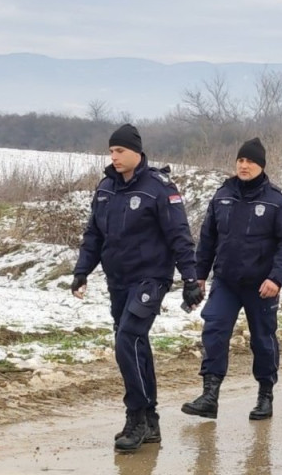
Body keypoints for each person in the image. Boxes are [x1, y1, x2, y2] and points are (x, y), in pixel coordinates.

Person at [72, 124, 203, 452]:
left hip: (151, 278)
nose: (114, 157)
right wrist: (82, 271)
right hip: (118, 279)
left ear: (136, 152)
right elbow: (94, 235)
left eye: (120, 151)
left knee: (126, 339)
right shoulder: (106, 188)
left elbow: (179, 235)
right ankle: (151, 420)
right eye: (111, 151)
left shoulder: (158, 188)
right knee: (135, 344)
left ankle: (136, 417)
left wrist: (190, 278)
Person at [181, 137, 282, 421]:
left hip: (262, 285)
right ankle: (210, 395)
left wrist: (276, 279)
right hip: (227, 281)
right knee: (214, 329)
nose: (244, 166)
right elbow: (208, 238)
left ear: (262, 165)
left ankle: (265, 395)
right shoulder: (222, 195)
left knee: (262, 339)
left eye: (251, 161)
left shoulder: (277, 200)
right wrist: (199, 275)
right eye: (241, 160)